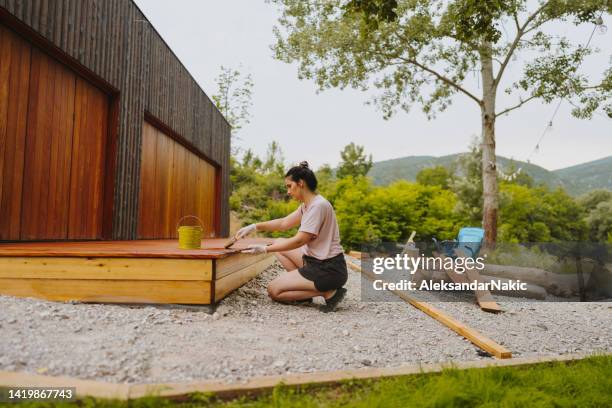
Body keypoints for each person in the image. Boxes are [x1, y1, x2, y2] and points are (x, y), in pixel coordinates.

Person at [235, 161, 347, 312]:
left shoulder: (318, 206)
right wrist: (254, 226)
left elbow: (300, 240)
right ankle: (305, 293)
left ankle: (329, 291)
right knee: (279, 243)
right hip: (315, 262)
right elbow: (283, 223)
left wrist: (264, 249)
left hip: (328, 268)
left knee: (274, 291)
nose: (288, 191)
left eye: (289, 186)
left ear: (300, 183)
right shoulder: (308, 205)